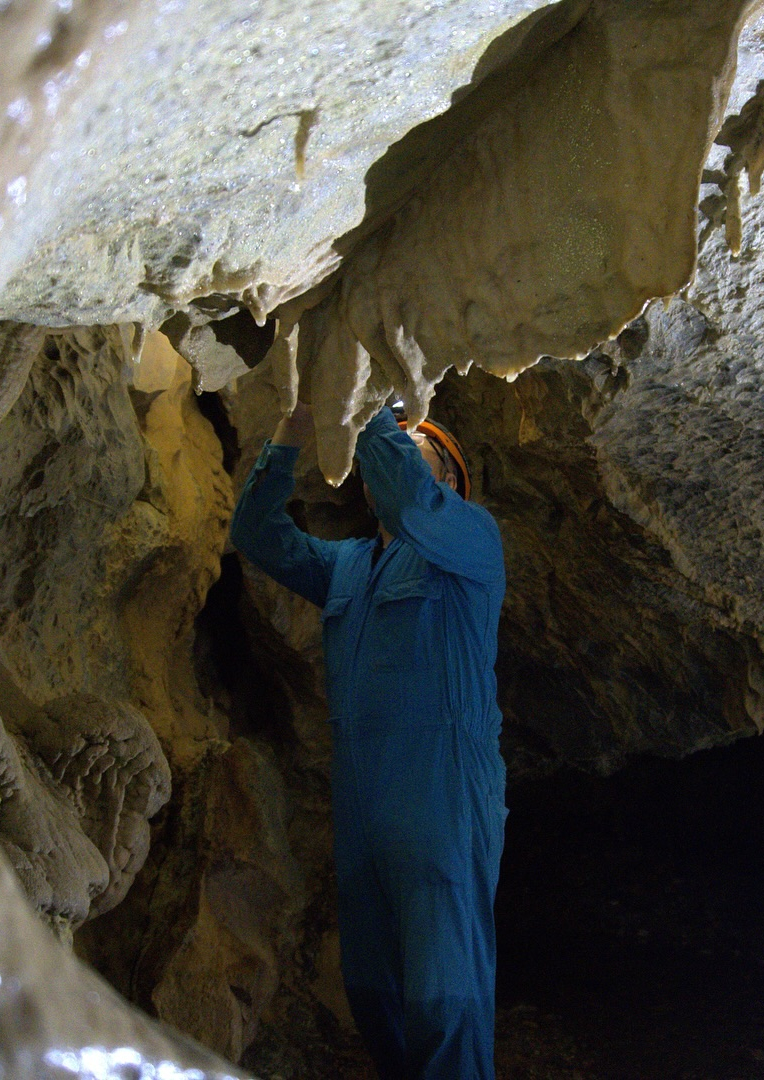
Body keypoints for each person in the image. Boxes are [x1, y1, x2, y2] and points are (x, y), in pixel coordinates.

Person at [230, 400, 507, 1080]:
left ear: (448, 481)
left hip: (442, 797)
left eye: (418, 445)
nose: (396, 450)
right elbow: (256, 534)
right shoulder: (348, 567)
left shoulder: (470, 544)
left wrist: (366, 402)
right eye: (395, 441)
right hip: (365, 802)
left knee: (446, 996)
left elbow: (409, 502)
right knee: (373, 993)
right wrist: (291, 432)